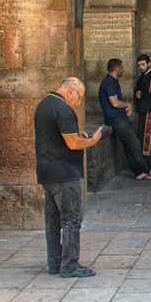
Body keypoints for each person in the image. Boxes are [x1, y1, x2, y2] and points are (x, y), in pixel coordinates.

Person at [35, 77, 103, 277]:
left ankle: (55, 262)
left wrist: (77, 135)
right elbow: (72, 144)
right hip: (64, 172)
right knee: (71, 219)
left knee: (53, 220)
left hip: (47, 171)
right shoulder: (63, 110)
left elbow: (59, 137)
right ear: (70, 91)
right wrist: (92, 140)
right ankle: (70, 265)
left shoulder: (44, 105)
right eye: (79, 97)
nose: (79, 103)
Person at [98, 59, 151, 180]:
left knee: (128, 145)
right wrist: (127, 105)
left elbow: (118, 102)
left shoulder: (113, 81)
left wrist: (126, 107)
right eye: (121, 67)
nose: (123, 69)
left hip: (118, 117)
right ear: (116, 69)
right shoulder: (109, 83)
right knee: (134, 144)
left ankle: (138, 172)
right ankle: (146, 170)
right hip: (115, 119)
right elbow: (115, 103)